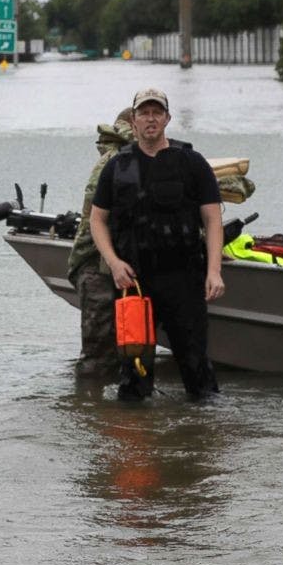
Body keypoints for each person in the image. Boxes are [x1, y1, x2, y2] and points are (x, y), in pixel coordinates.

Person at [89, 87, 224, 401]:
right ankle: (136, 440)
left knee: (197, 370)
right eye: (144, 113)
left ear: (167, 118)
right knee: (134, 372)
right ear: (134, 121)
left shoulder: (192, 162)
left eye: (156, 112)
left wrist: (214, 271)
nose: (151, 119)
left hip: (185, 278)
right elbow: (97, 220)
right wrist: (113, 262)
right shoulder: (116, 167)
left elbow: (213, 219)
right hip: (134, 282)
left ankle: (202, 440)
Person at [66, 108, 134, 378]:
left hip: (117, 267)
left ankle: (106, 412)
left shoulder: (123, 160)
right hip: (98, 268)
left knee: (127, 348)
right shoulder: (113, 163)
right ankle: (92, 410)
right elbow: (93, 221)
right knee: (99, 356)